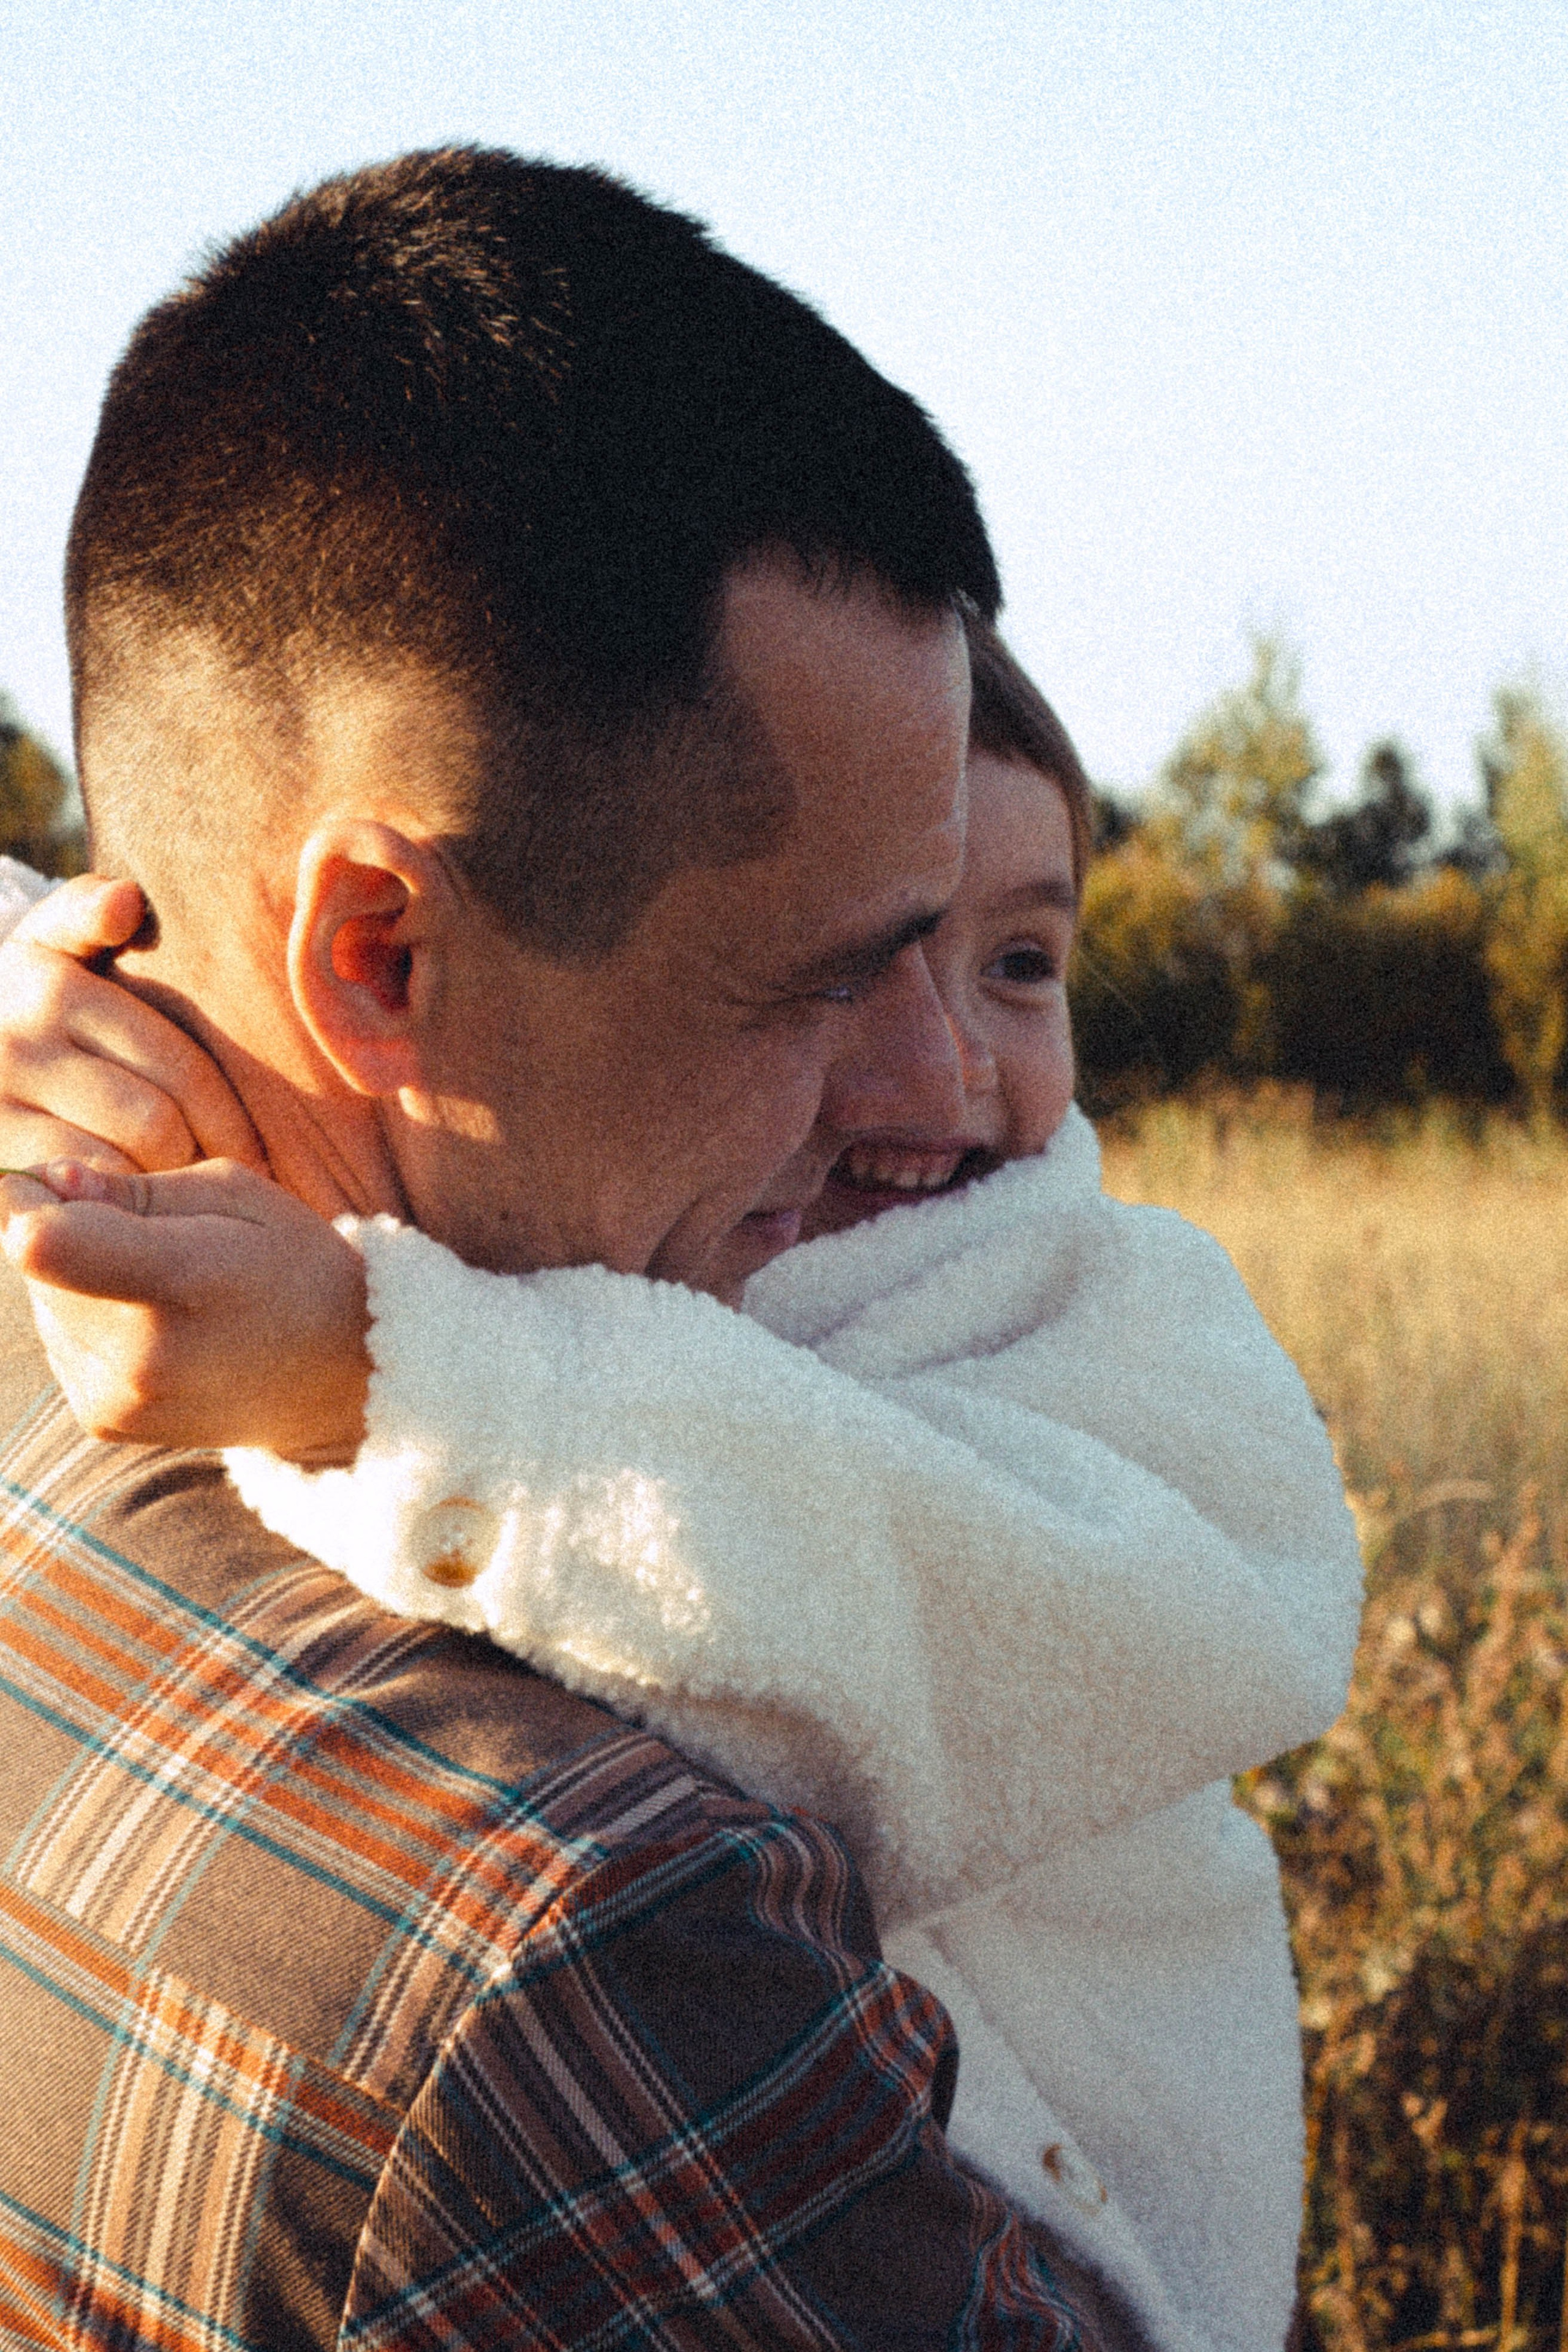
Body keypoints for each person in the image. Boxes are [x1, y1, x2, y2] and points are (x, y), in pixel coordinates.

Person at [0, 147, 1139, 2348]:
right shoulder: (598, 1944)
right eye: (825, 977)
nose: (923, 1100)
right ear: (382, 953)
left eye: (981, 960)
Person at [0, 624, 1362, 2351]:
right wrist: (76, 1022)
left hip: (1061, 2230)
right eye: (847, 971)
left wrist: (380, 1366)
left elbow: (967, 1593)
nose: (944, 1070)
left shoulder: (1106, 1313)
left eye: (1024, 962)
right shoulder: (631, 1183)